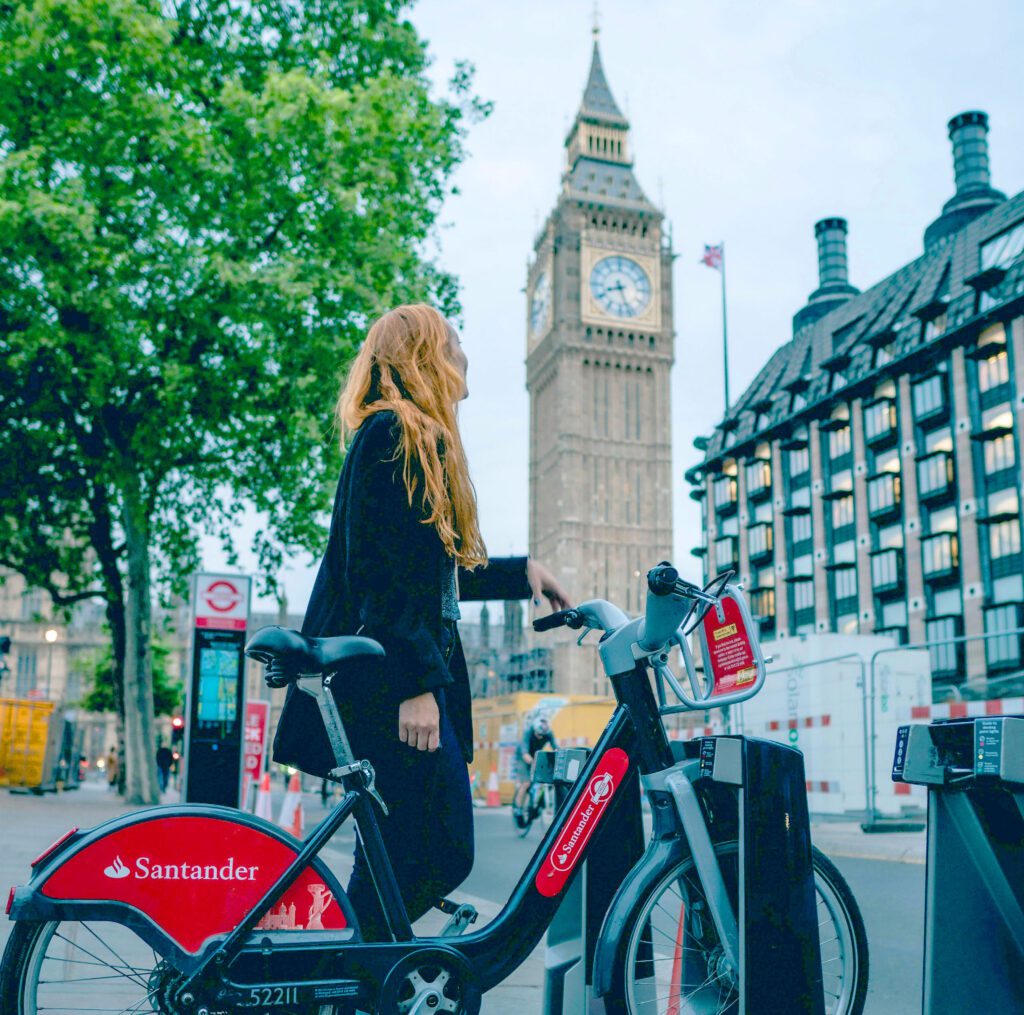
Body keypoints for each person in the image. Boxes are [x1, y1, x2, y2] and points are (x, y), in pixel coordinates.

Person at [273, 304, 569, 940]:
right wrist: (415, 685)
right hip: (385, 683)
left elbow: (430, 569)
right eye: (453, 342)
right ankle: (350, 974)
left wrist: (523, 574)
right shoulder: (395, 436)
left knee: (393, 854)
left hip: (385, 673)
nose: (464, 355)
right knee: (443, 848)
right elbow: (380, 572)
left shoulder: (404, 438)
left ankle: (356, 978)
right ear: (422, 356)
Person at [513, 713, 557, 812]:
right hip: (522, 756)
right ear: (535, 729)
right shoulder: (528, 732)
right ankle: (518, 808)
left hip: (535, 756)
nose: (540, 737)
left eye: (543, 736)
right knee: (526, 783)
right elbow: (525, 752)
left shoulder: (548, 733)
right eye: (538, 734)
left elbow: (556, 747)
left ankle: (536, 800)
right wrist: (531, 760)